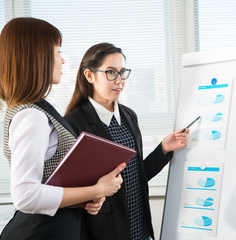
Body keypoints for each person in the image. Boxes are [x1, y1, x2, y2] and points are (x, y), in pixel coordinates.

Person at [0, 18, 126, 240]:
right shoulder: (32, 116)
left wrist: (84, 199)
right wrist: (97, 190)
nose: (62, 60)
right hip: (40, 232)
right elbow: (25, 195)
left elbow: (49, 182)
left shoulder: (35, 108)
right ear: (37, 57)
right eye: (57, 52)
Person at [64, 42, 189, 240]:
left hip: (141, 229)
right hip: (105, 232)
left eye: (123, 72)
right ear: (89, 76)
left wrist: (163, 150)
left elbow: (136, 175)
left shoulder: (129, 116)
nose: (119, 80)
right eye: (111, 72)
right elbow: (69, 190)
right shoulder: (74, 123)